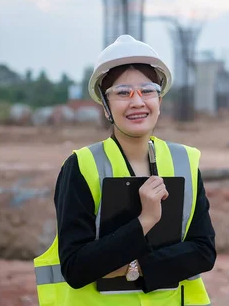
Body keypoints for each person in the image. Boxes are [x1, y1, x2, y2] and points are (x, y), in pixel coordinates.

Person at [34, 34, 216, 306]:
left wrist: (135, 269)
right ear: (106, 108)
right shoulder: (82, 167)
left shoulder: (184, 161)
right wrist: (145, 221)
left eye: (147, 90)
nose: (137, 102)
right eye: (122, 93)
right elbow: (76, 267)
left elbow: (203, 251)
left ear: (159, 100)